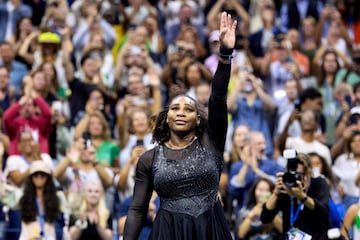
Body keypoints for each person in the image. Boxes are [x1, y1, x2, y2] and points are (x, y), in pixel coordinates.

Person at [123, 12, 236, 239]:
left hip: (210, 228)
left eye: (188, 109)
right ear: (166, 118)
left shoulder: (211, 141)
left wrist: (225, 55)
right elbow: (137, 209)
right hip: (168, 231)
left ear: (198, 119)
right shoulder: (149, 159)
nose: (181, 112)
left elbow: (218, 98)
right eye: (175, 109)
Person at [261, 152, 330, 240]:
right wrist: (276, 192)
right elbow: (265, 218)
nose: (297, 178)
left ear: (308, 173)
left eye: (300, 175)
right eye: (293, 175)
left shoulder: (318, 183)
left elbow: (324, 213)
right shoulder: (286, 188)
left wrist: (302, 197)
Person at [18, 161, 61, 240]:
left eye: (42, 175)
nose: (39, 177)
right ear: (31, 177)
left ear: (48, 177)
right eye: (36, 175)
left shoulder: (57, 198)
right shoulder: (22, 198)